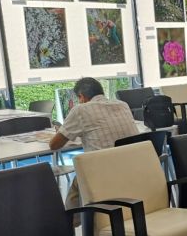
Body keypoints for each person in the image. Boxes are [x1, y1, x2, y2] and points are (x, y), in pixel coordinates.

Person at [50, 77, 139, 210]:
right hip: (133, 168)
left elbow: (54, 145)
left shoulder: (80, 110)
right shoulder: (122, 104)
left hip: (102, 174)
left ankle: (70, 225)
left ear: (82, 97)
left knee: (76, 186)